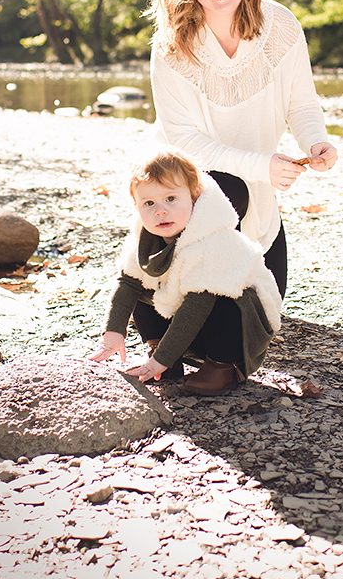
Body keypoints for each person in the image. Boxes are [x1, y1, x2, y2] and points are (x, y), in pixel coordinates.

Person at [149, 0, 338, 295]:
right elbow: (184, 143)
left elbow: (300, 103)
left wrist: (314, 140)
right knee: (228, 192)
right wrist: (261, 166)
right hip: (187, 194)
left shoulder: (281, 25)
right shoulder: (170, 46)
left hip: (259, 192)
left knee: (267, 310)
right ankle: (161, 272)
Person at [88, 148, 283, 396]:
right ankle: (162, 351)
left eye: (171, 199)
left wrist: (161, 360)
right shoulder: (145, 239)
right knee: (141, 283)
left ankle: (223, 366)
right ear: (136, 206)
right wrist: (113, 331)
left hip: (242, 328)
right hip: (188, 327)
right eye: (149, 203)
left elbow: (196, 306)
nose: (160, 210)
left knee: (225, 301)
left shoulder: (214, 239)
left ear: (194, 196)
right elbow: (127, 282)